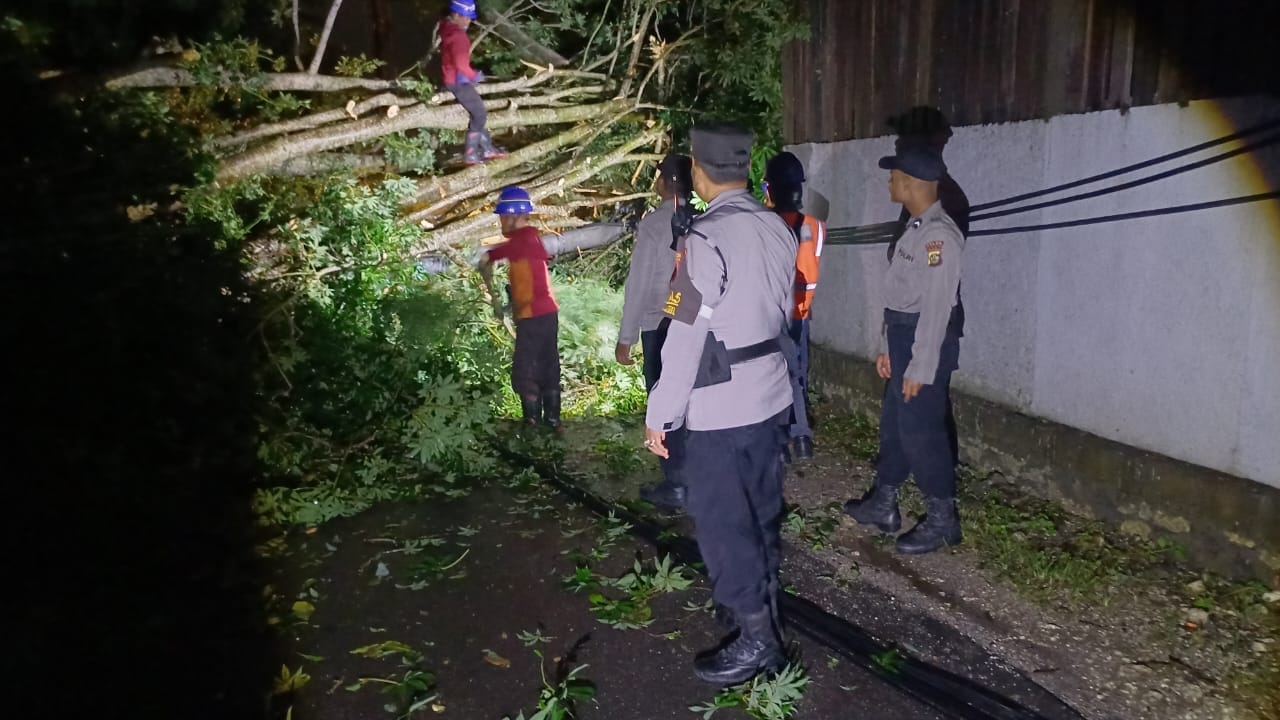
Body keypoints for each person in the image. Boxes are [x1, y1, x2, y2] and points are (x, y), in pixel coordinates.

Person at [643, 125, 796, 684]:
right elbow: (785, 309)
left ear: (700, 174)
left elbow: (683, 332)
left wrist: (661, 412)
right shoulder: (777, 227)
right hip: (769, 392)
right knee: (759, 510)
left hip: (719, 405)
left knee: (721, 521)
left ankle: (757, 641)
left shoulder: (705, 240)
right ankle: (759, 606)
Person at [843, 146, 966, 555]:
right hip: (903, 337)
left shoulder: (939, 236)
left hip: (923, 340)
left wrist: (921, 364)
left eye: (893, 176)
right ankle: (884, 504)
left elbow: (937, 306)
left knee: (922, 432)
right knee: (895, 424)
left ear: (911, 183)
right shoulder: (914, 226)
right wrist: (887, 345)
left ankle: (943, 519)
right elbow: (896, 296)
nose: (889, 181)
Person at [617, 153, 694, 510]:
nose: (656, 180)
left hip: (660, 324)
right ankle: (695, 477)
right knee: (692, 402)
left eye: (659, 175)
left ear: (667, 182)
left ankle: (676, 482)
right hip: (692, 322)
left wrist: (626, 336)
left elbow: (639, 285)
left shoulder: (653, 225)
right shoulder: (703, 219)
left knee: (664, 403)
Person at [477, 186, 562, 429]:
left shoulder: (523, 240)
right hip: (545, 314)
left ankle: (533, 423)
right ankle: (553, 421)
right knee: (547, 364)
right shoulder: (530, 239)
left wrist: (484, 261)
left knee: (526, 370)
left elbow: (490, 255)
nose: (501, 222)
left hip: (534, 316)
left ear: (515, 217)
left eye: (504, 217)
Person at [762, 151, 826, 461]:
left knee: (771, 376)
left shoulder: (764, 226)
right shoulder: (815, 226)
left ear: (771, 188)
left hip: (772, 316)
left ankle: (776, 441)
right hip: (801, 312)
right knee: (798, 375)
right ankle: (801, 438)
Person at [437, 1, 506, 165]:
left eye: (470, 18)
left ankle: (488, 148)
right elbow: (461, 64)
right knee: (480, 113)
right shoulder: (458, 36)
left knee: (477, 115)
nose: (469, 22)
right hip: (457, 82)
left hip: (452, 77)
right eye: (466, 18)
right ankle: (471, 153)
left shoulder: (447, 28)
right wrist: (473, 76)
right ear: (456, 15)